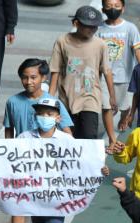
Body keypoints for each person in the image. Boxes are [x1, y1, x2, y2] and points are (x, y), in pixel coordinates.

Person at [0, 58, 74, 223]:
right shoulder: (13, 102)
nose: (28, 81)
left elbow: (68, 132)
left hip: (50, 171)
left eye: (33, 77)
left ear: (43, 78)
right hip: (24, 166)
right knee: (18, 206)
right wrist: (8, 158)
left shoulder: (52, 103)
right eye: (24, 77)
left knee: (44, 211)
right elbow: (9, 132)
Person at [49, 6, 117, 145]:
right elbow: (55, 70)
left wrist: (112, 96)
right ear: (76, 24)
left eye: (95, 26)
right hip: (66, 98)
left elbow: (107, 71)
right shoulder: (62, 41)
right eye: (88, 26)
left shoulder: (100, 45)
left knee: (88, 137)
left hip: (90, 97)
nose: (92, 29)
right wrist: (49, 99)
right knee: (69, 139)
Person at [97, 0, 140, 133]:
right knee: (106, 107)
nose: (113, 9)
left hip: (126, 77)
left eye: (117, 6)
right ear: (103, 9)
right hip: (103, 77)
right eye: (109, 6)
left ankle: (123, 118)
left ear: (123, 8)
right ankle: (111, 136)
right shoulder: (99, 29)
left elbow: (138, 50)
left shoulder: (130, 28)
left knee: (125, 106)